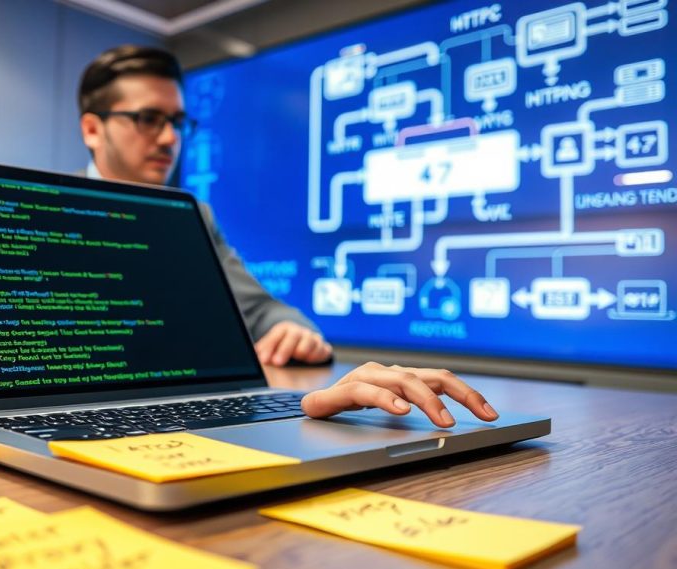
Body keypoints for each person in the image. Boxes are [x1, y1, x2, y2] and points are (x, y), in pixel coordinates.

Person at [76, 45, 500, 428]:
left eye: (177, 122)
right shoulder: (40, 213)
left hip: (185, 418)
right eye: (148, 119)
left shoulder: (193, 218)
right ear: (93, 130)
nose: (170, 138)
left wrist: (290, 330)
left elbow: (261, 311)